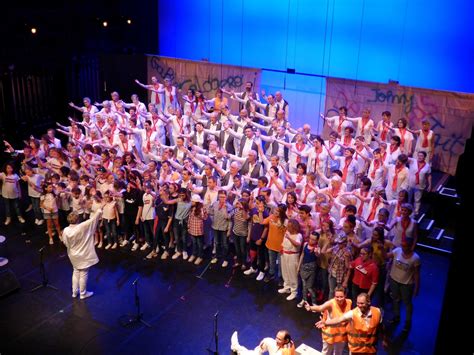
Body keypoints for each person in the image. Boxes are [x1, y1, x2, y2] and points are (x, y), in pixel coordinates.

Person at [316, 293, 387, 354]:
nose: (359, 305)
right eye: (358, 303)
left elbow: (381, 326)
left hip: (370, 350)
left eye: (362, 303)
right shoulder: (353, 313)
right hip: (356, 350)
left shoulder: (377, 312)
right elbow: (338, 320)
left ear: (368, 302)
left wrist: (384, 339)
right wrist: (326, 323)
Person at [62, 208, 103, 299]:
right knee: (83, 273)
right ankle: (83, 293)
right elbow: (93, 219)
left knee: (76, 271)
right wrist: (99, 209)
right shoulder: (82, 227)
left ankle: (74, 292)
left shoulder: (66, 230)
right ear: (77, 219)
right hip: (83, 255)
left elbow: (65, 242)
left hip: (73, 255)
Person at [304, 286, 352, 355]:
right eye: (337, 297)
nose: (339, 299)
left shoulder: (349, 302)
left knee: (338, 353)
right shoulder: (331, 303)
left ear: (345, 295)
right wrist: (310, 308)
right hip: (330, 334)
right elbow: (320, 308)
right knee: (326, 352)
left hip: (341, 335)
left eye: (341, 296)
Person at [387, 238, 421, 332]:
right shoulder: (397, 251)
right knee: (395, 299)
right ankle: (396, 317)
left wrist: (416, 288)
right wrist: (382, 248)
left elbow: (417, 274)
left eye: (405, 246)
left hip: (406, 284)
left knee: (407, 303)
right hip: (394, 280)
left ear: (410, 246)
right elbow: (386, 256)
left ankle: (408, 322)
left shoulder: (415, 258)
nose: (403, 247)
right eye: (402, 245)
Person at [231, 329, 295, 355]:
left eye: (279, 339)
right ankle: (256, 352)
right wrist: (264, 340)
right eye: (276, 338)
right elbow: (275, 343)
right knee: (267, 341)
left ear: (286, 340)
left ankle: (239, 351)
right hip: (278, 350)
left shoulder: (285, 352)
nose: (276, 340)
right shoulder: (288, 341)